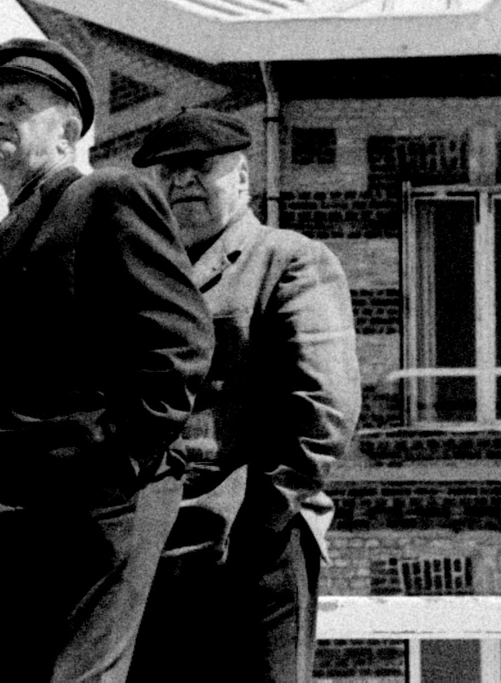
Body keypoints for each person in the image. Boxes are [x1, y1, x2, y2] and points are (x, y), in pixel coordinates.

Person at [0, 38, 213, 683]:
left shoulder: (107, 197)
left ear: (67, 130)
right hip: (14, 518)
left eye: (17, 104)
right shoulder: (1, 237)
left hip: (97, 506)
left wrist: (120, 464)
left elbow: (182, 342)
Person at [126, 107, 361, 683]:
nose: (182, 181)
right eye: (167, 171)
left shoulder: (288, 260)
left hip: (254, 547)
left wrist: (263, 521)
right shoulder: (137, 278)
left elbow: (325, 407)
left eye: (199, 166)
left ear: (242, 179)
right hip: (153, 551)